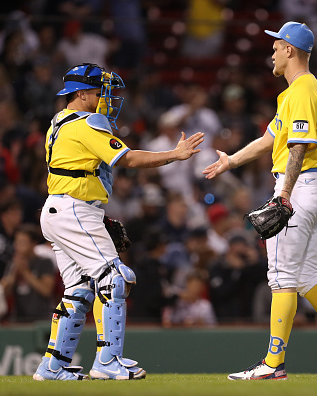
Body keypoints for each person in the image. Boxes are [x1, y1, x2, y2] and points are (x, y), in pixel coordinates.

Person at [203, 22, 317, 381]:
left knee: (281, 278)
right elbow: (270, 139)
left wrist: (283, 194)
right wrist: (231, 160)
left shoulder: (302, 91)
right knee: (306, 276)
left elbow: (298, 147)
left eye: (277, 46)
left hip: (301, 186)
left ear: (291, 50)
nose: (273, 52)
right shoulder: (301, 91)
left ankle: (273, 363)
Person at [34, 63, 204, 381]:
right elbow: (129, 159)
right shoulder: (85, 125)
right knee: (114, 279)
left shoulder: (59, 122)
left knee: (80, 292)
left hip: (59, 210)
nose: (106, 99)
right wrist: (175, 154)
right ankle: (108, 361)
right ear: (81, 93)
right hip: (74, 210)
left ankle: (53, 366)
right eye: (100, 92)